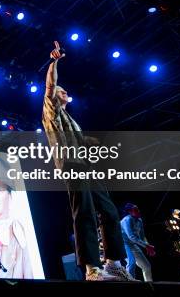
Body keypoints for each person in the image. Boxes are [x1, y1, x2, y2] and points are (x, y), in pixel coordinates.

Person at [42, 41, 132, 281]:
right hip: (71, 166)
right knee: (85, 213)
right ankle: (91, 267)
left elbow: (81, 141)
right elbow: (50, 86)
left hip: (86, 167)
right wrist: (55, 62)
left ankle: (113, 263)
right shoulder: (51, 112)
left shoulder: (72, 120)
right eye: (63, 92)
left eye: (65, 92)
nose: (65, 93)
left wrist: (96, 142)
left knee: (110, 211)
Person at [120, 203, 155, 281]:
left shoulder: (139, 220)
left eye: (138, 209)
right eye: (136, 210)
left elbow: (142, 236)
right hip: (123, 243)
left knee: (146, 266)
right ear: (130, 212)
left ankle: (149, 284)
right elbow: (131, 236)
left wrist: (148, 246)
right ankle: (130, 282)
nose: (138, 211)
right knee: (131, 262)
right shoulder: (127, 219)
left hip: (132, 244)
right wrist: (146, 246)